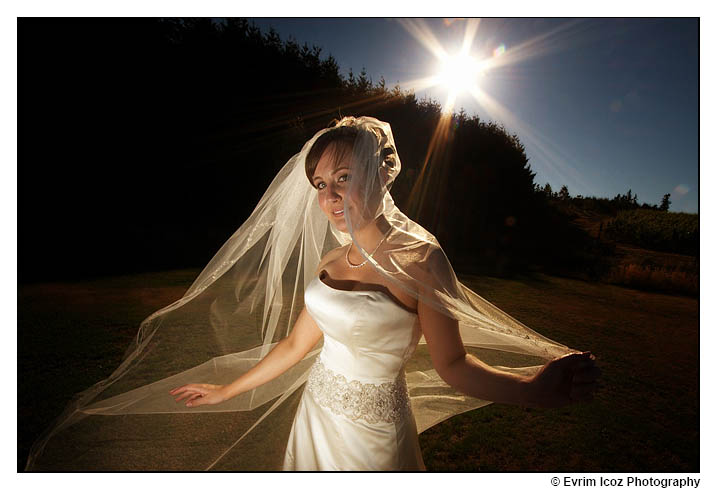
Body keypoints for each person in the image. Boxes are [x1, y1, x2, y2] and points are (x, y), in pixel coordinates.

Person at [167, 117, 600, 471]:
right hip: (315, 413)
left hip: (373, 437)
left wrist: (530, 388)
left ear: (380, 175)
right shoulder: (329, 262)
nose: (330, 197)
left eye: (343, 177)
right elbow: (296, 344)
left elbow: (452, 363)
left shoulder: (422, 260)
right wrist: (228, 391)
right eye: (320, 185)